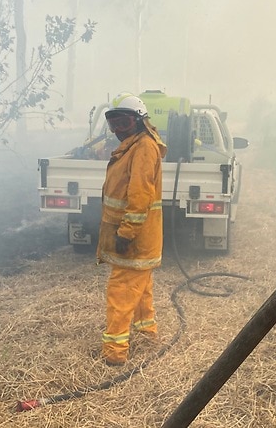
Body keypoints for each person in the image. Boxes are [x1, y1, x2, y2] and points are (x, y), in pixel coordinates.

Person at [96, 92, 167, 366]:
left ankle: (114, 352)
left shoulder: (143, 148)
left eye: (123, 123)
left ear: (139, 121)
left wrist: (126, 233)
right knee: (141, 286)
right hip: (137, 235)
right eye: (113, 124)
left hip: (135, 236)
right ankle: (146, 333)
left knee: (122, 290)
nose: (117, 130)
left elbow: (139, 196)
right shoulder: (133, 145)